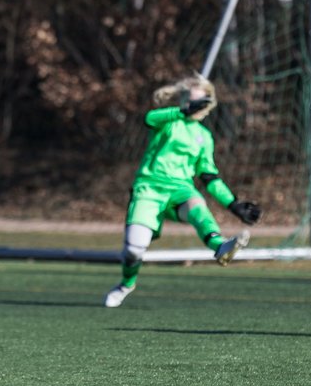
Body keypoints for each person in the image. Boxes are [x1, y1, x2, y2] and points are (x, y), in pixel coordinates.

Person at [103, 74, 261, 308]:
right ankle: (127, 283)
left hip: (180, 189)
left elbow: (209, 177)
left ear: (207, 105)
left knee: (198, 207)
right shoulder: (168, 120)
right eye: (190, 100)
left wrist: (233, 204)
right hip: (149, 188)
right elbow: (149, 117)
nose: (194, 106)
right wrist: (182, 112)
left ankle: (221, 248)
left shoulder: (204, 137)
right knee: (134, 250)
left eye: (199, 102)